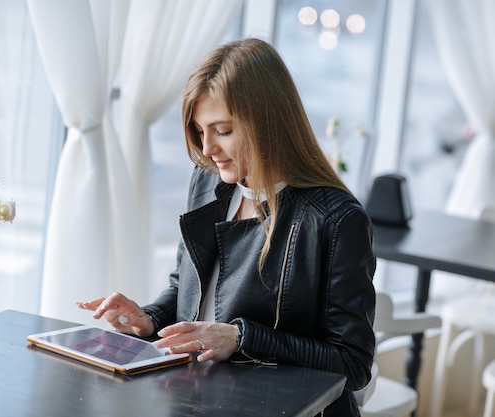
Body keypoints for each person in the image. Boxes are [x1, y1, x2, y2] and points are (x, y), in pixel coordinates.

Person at [77, 38, 376, 416]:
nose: (208, 149)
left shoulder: (336, 220)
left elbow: (353, 364)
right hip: (199, 401)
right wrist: (149, 318)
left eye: (223, 130)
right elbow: (183, 288)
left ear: (269, 122)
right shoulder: (207, 184)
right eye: (201, 131)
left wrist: (242, 338)